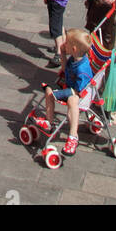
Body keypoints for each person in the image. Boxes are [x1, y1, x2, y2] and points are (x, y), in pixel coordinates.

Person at [33, 28, 94, 158]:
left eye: (66, 43)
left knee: (70, 99)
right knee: (49, 89)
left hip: (78, 94)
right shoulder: (74, 59)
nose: (63, 44)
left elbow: (79, 91)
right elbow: (65, 68)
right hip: (71, 87)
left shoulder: (82, 69)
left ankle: (73, 136)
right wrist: (62, 54)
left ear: (74, 49)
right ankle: (49, 122)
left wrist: (60, 94)